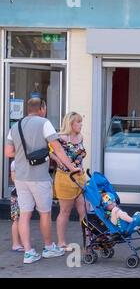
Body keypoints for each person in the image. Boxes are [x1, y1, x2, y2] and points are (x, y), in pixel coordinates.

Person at [4, 98, 80, 264]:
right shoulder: (44, 123)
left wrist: (24, 153)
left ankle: (29, 252)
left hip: (21, 178)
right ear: (42, 108)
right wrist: (71, 167)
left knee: (24, 215)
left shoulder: (15, 126)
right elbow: (58, 148)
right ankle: (48, 248)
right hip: (39, 178)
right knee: (45, 213)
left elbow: (8, 152)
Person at [51, 112, 87, 251]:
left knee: (84, 210)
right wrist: (58, 160)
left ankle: (88, 241)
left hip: (80, 177)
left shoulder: (80, 137)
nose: (81, 124)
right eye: (78, 122)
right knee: (65, 211)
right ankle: (61, 242)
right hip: (65, 179)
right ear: (71, 124)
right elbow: (50, 151)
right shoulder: (60, 138)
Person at [10, 160, 24, 252]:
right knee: (17, 219)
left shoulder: (15, 162)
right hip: (18, 193)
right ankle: (16, 243)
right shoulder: (17, 162)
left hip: (18, 192)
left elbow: (13, 178)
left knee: (20, 219)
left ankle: (20, 242)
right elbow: (14, 178)